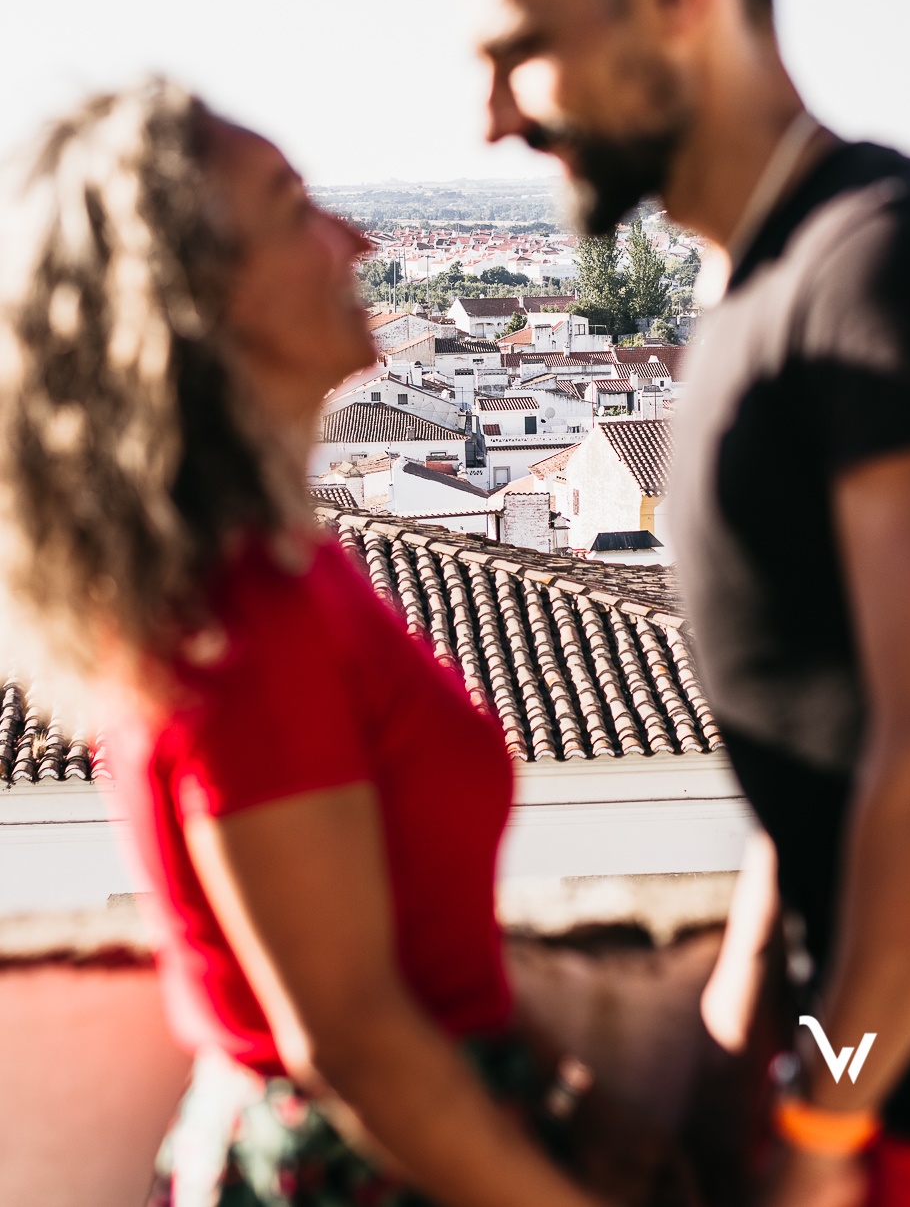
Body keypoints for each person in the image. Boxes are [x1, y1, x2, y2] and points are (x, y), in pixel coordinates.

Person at [461, 0, 910, 1206]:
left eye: (524, 51)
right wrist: (758, 1019)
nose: (491, 115)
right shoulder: (753, 295)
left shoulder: (888, 267)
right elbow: (835, 729)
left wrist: (829, 1113)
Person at [0, 80, 605, 1207]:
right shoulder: (240, 631)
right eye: (293, 211)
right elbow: (353, 1041)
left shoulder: (279, 567)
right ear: (187, 305)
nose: (355, 238)